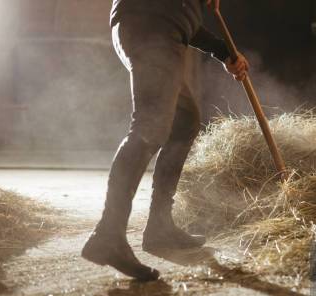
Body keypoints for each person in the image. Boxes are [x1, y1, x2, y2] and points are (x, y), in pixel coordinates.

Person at [82, 0, 249, 281]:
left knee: (184, 123)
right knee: (149, 127)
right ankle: (108, 234)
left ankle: (159, 226)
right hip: (150, 26)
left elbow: (183, 18)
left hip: (159, 27)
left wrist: (223, 51)